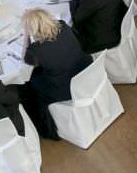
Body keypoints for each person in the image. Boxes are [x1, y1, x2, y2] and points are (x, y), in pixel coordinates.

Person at [20, 8, 92, 140]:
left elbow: (25, 58)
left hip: (66, 87)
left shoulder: (36, 50)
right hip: (84, 70)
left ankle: (47, 128)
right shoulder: (63, 26)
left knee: (30, 85)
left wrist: (26, 35)